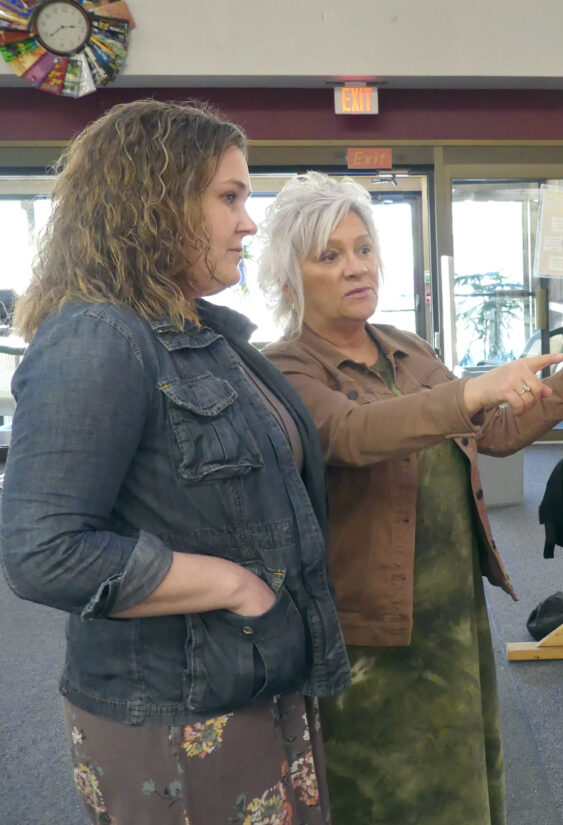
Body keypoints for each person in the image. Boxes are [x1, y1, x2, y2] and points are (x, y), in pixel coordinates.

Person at [0, 102, 350, 825]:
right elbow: (43, 550)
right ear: (152, 202)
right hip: (172, 708)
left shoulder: (201, 332)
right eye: (230, 197)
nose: (248, 222)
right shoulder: (97, 337)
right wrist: (232, 583)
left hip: (249, 676)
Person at [258, 171, 563, 825]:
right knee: (383, 792)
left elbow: (497, 430)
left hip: (451, 612)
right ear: (291, 278)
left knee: (458, 782)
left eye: (363, 248)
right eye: (330, 255)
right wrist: (471, 391)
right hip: (369, 626)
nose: (355, 267)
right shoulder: (287, 367)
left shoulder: (408, 349)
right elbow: (352, 434)